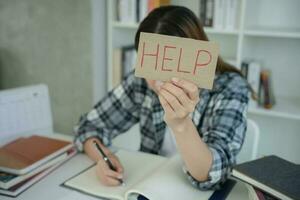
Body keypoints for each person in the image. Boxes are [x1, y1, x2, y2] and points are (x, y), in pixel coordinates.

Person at [74, 5, 250, 190]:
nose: (158, 80)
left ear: (194, 58)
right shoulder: (141, 81)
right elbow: (89, 126)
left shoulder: (231, 88)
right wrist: (104, 158)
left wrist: (181, 124)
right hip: (147, 184)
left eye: (170, 65)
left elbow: (214, 173)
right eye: (151, 63)